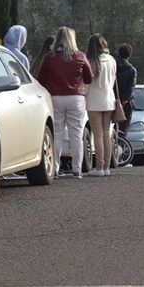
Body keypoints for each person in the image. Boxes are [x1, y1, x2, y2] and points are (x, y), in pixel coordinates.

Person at [37, 27, 93, 178]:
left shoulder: (49, 58)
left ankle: (54, 168)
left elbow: (40, 79)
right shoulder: (80, 56)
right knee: (76, 135)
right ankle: (77, 170)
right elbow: (89, 78)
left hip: (55, 97)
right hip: (76, 98)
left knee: (57, 134)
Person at [85, 33, 117, 177]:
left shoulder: (90, 61)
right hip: (109, 100)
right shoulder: (111, 60)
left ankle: (98, 167)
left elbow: (86, 83)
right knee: (106, 134)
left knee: (97, 134)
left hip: (93, 101)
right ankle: (106, 167)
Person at [116, 43, 137, 133]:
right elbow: (130, 88)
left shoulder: (112, 66)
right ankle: (121, 145)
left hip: (112, 100)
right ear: (129, 55)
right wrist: (124, 101)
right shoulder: (132, 70)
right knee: (123, 129)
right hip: (126, 104)